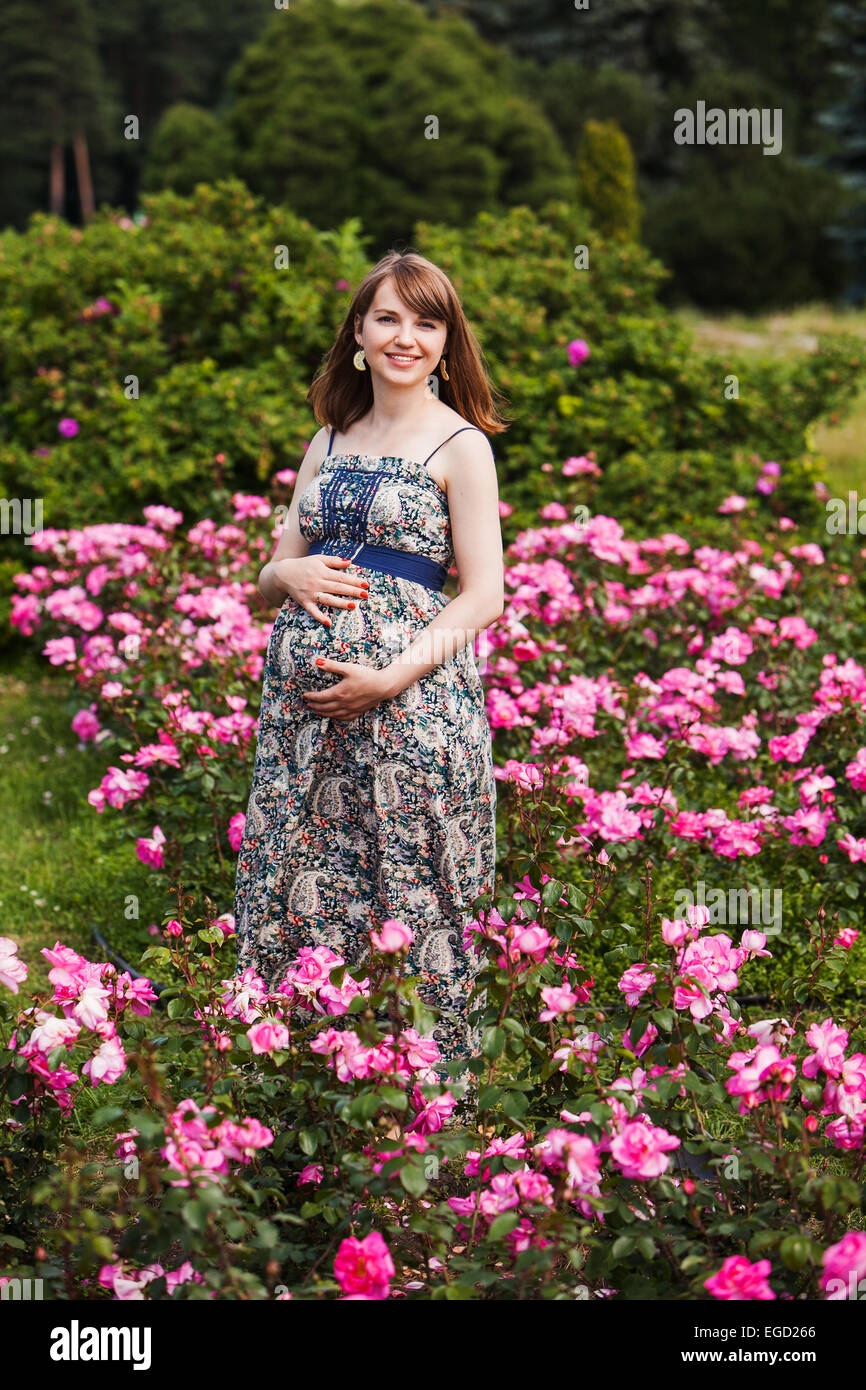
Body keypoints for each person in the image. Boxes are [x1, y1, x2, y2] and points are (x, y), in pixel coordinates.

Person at [233, 249, 508, 1114]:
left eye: (427, 322)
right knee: (303, 867)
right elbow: (268, 574)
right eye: (388, 317)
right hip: (304, 720)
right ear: (358, 332)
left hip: (412, 704)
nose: (406, 337)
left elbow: (486, 593)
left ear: (445, 341)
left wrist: (387, 677)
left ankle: (424, 1103)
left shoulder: (460, 445)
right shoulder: (329, 438)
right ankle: (305, 1087)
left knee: (409, 877)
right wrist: (294, 576)